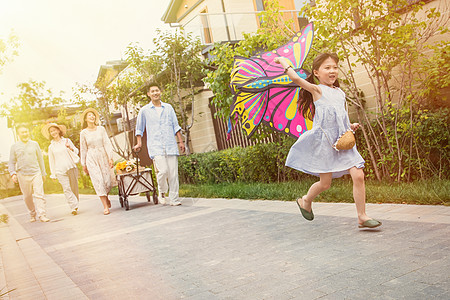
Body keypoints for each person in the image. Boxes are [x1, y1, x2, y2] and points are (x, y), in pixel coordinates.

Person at [275, 53, 382, 228]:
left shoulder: (340, 93)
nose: (332, 71)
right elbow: (295, 78)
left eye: (335, 67)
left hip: (342, 141)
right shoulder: (317, 90)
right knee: (325, 184)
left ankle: (362, 216)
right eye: (327, 68)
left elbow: (340, 116)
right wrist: (283, 62)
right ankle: (306, 200)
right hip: (325, 143)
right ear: (316, 72)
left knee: (359, 175)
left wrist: (350, 125)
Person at [134, 83, 185, 206]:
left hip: (170, 144)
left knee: (173, 173)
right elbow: (139, 129)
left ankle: (174, 199)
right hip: (155, 146)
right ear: (149, 94)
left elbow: (175, 125)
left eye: (157, 90)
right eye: (152, 91)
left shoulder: (168, 108)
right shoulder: (144, 110)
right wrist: (139, 143)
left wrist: (181, 141)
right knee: (163, 171)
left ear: (160, 91)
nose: (155, 93)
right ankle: (162, 191)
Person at [8, 125, 50, 222]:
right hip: (22, 174)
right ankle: (32, 213)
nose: (25, 134)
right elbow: (11, 162)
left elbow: (40, 160)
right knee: (27, 196)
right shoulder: (14, 147)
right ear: (18, 134)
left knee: (39, 194)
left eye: (26, 131)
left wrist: (43, 173)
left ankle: (42, 214)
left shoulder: (35, 144)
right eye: (22, 132)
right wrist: (13, 173)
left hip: (36, 173)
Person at [79, 108, 114, 215]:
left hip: (102, 155)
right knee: (98, 181)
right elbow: (83, 148)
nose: (92, 117)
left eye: (93, 115)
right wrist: (83, 164)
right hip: (91, 157)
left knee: (107, 181)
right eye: (89, 115)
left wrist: (110, 157)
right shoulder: (83, 133)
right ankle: (105, 206)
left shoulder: (101, 129)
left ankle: (106, 197)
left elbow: (107, 143)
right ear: (85, 119)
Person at [42, 122, 80, 215]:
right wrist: (53, 174)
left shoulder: (67, 141)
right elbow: (52, 161)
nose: (53, 132)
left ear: (59, 130)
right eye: (51, 131)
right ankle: (73, 207)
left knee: (74, 188)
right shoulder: (51, 147)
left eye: (54, 130)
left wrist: (70, 147)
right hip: (60, 171)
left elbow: (76, 151)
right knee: (66, 188)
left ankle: (75, 203)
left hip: (70, 167)